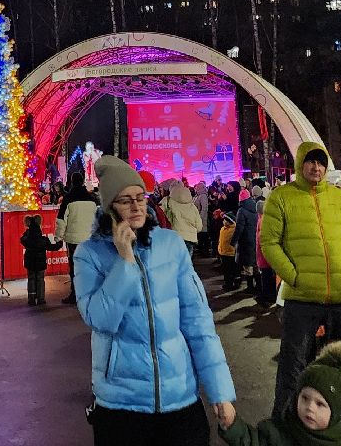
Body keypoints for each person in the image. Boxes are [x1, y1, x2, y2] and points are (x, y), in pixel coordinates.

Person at [73, 155, 235, 445]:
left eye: (139, 197)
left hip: (179, 397)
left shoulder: (170, 245)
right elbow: (99, 319)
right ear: (109, 207)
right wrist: (125, 263)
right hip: (121, 405)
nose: (136, 206)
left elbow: (197, 322)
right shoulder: (89, 254)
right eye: (125, 200)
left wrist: (220, 391)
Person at [260, 142, 341, 420]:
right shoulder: (282, 197)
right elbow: (269, 242)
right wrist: (293, 276)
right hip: (302, 298)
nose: (316, 168)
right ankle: (285, 423)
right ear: (300, 164)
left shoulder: (339, 199)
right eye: (310, 162)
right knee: (293, 365)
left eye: (321, 162)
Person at [219, 341, 341, 446]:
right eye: (305, 398)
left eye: (320, 404)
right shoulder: (279, 432)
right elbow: (251, 441)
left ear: (334, 412)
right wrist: (232, 424)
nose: (310, 407)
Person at [55, 172, 98, 305]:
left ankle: (75, 294)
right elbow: (100, 218)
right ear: (83, 181)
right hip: (90, 239)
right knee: (89, 266)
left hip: (73, 239)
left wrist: (58, 237)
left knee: (74, 268)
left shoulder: (68, 198)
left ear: (72, 181)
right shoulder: (93, 199)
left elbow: (61, 220)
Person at [20, 214, 60, 306]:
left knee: (31, 279)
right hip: (41, 262)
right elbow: (52, 247)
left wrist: (27, 232)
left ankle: (31, 299)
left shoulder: (26, 239)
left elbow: (22, 239)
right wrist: (60, 243)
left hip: (30, 261)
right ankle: (41, 298)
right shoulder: (43, 240)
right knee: (40, 279)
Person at [164, 180, 204, 255]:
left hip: (175, 236)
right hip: (190, 239)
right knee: (187, 263)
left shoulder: (168, 201)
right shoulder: (192, 206)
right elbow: (199, 226)